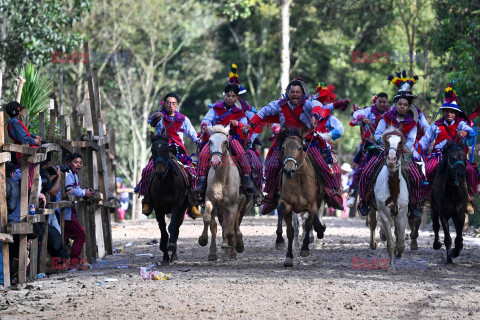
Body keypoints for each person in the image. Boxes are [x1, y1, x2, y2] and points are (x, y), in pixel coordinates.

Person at [244, 78, 350, 215]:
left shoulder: (308, 103)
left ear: (302, 93)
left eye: (297, 92)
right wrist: (250, 124)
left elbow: (318, 105)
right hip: (286, 141)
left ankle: (331, 192)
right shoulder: (278, 104)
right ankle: (270, 197)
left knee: (322, 164)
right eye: (292, 92)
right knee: (271, 165)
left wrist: (314, 116)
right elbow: (263, 112)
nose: (295, 94)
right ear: (288, 93)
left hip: (306, 140)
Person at [357, 72, 424, 218]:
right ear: (395, 104)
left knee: (416, 176)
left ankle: (414, 203)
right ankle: (364, 200)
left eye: (405, 105)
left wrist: (404, 149)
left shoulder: (412, 123)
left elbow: (411, 141)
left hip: (403, 152)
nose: (402, 106)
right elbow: (378, 135)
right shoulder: (386, 118)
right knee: (367, 171)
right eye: (399, 104)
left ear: (408, 107)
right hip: (385, 151)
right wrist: (386, 143)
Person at [136, 92, 201, 218]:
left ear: (177, 105)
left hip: (179, 152)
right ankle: (147, 201)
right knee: (148, 170)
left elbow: (193, 135)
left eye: (173, 103)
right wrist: (156, 115)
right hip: (162, 151)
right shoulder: (159, 117)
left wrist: (201, 142)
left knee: (192, 173)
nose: (171, 106)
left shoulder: (184, 119)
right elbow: (151, 121)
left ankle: (193, 204)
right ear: (164, 104)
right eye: (168, 103)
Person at [419, 83, 478, 214]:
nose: (449, 113)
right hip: (439, 153)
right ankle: (428, 197)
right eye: (446, 111)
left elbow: (473, 133)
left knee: (469, 170)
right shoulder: (436, 125)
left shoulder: (461, 123)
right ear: (443, 112)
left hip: (456, 153)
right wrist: (416, 150)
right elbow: (426, 140)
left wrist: (466, 133)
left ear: (456, 113)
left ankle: (468, 198)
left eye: (452, 111)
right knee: (428, 169)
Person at [194, 82, 256, 194]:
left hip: (231, 137)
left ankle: (247, 178)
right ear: (224, 95)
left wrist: (238, 124)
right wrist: (205, 126)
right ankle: (202, 181)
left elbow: (245, 128)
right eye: (228, 95)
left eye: (233, 96)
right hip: (216, 136)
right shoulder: (215, 109)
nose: (230, 98)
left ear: (236, 98)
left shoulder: (239, 113)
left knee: (241, 152)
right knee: (203, 153)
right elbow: (206, 120)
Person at [346, 93, 391, 207]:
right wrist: (363, 118)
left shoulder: (391, 113)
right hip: (371, 146)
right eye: (380, 102)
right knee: (361, 169)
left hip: (389, 147)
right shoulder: (369, 111)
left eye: (384, 102)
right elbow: (356, 114)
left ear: (387, 102)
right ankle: (355, 194)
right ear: (375, 102)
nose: (382, 104)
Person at [64, 153, 94, 269]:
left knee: (72, 236)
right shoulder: (67, 174)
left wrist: (85, 191)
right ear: (69, 162)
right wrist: (83, 193)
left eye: (80, 163)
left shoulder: (74, 175)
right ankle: (74, 262)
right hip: (65, 212)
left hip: (71, 210)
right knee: (81, 235)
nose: (78, 165)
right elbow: (69, 190)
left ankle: (70, 262)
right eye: (76, 162)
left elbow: (76, 189)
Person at [5, 101, 42, 189]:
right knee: (30, 181)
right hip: (25, 153)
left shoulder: (15, 121)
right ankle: (29, 200)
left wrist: (34, 136)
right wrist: (35, 141)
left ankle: (30, 199)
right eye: (20, 109)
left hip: (27, 153)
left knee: (31, 178)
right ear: (17, 112)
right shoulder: (14, 122)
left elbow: (23, 134)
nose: (21, 110)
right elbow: (23, 138)